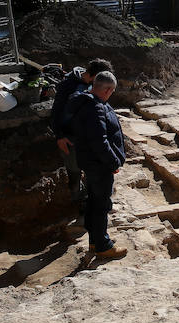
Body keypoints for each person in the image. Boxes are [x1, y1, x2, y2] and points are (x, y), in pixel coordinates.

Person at [66, 71, 127, 261]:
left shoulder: (86, 101)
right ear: (107, 90)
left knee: (94, 201)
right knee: (101, 205)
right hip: (99, 165)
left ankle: (96, 239)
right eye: (112, 92)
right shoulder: (95, 107)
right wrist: (113, 162)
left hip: (90, 162)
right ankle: (102, 246)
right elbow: (99, 142)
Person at [50, 58, 113, 205]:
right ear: (92, 75)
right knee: (74, 170)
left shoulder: (93, 84)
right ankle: (77, 199)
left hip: (89, 137)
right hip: (71, 137)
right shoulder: (68, 86)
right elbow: (56, 113)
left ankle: (92, 196)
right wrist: (60, 136)